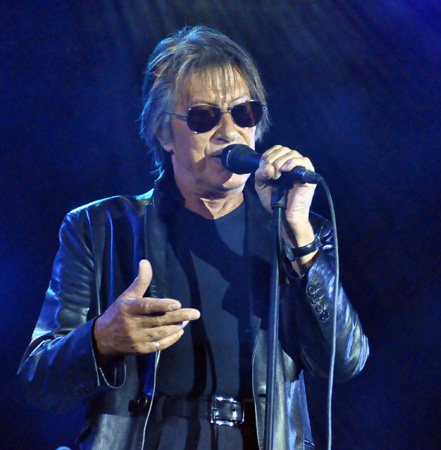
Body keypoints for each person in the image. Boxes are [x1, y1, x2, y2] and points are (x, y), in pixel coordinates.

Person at [18, 25, 369, 449]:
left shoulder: (294, 231)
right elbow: (40, 382)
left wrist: (297, 232)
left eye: (244, 113)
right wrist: (102, 338)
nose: (228, 132)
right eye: (204, 117)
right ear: (164, 134)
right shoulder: (101, 228)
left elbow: (345, 361)